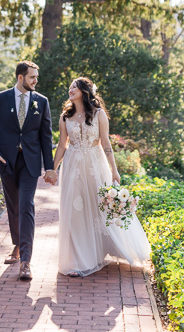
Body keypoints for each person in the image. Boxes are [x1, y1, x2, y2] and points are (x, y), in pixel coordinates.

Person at [51, 77, 151, 277]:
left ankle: (108, 249)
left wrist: (114, 170)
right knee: (75, 212)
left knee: (99, 208)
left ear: (84, 91)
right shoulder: (65, 116)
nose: (70, 90)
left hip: (95, 166)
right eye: (70, 87)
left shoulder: (99, 114)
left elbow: (106, 144)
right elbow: (62, 145)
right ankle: (79, 259)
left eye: (74, 87)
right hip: (72, 167)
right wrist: (53, 169)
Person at [0, 60, 57, 280]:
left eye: (36, 77)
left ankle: (25, 261)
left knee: (26, 205)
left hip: (31, 163)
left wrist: (49, 167)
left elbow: (46, 136)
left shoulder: (41, 101)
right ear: (20, 77)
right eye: (32, 77)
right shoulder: (0, 99)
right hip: (7, 162)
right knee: (13, 207)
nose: (36, 80)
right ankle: (17, 245)